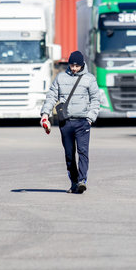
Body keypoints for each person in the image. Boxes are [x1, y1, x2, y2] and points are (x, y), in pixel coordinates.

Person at [41, 50, 100, 194]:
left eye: (77, 66)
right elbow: (51, 97)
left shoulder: (89, 79)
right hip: (66, 123)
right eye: (72, 65)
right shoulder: (61, 78)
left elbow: (96, 99)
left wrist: (90, 118)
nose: (74, 68)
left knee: (83, 151)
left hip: (83, 122)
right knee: (69, 154)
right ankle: (74, 181)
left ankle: (82, 180)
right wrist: (45, 114)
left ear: (82, 65)